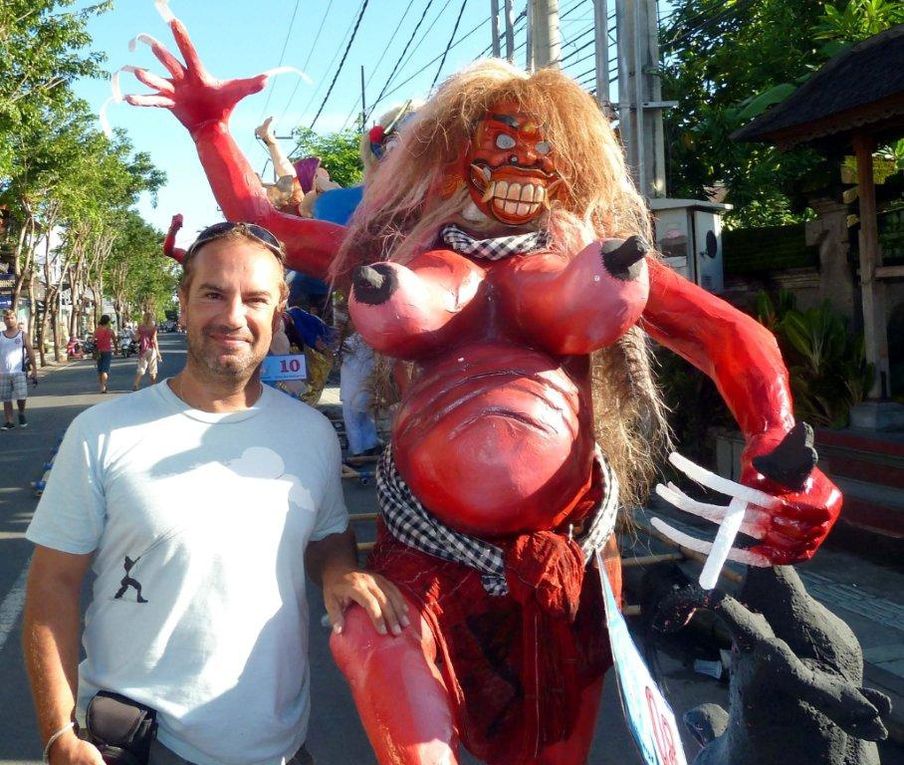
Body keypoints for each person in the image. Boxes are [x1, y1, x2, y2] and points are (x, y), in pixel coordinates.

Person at [22, 221, 408, 765]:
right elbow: (52, 589)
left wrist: (339, 570)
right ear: (183, 303)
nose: (232, 316)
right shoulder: (101, 432)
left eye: (254, 299)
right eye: (213, 294)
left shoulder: (312, 434)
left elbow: (326, 533)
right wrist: (58, 734)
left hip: (281, 749)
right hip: (139, 745)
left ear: (278, 315)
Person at [0, 308, 37, 429]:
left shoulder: (22, 335)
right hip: (3, 373)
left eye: (12, 318)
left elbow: (30, 352)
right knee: (6, 398)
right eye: (7, 318)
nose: (9, 320)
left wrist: (34, 370)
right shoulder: (0, 336)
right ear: (4, 320)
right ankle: (9, 421)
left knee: (21, 396)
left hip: (19, 372)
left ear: (16, 319)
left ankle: (21, 412)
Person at [132, 311, 161, 391]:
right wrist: (158, 353)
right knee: (153, 370)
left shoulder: (140, 327)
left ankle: (136, 384)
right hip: (152, 350)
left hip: (143, 350)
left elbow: (136, 338)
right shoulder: (153, 328)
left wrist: (135, 336)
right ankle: (153, 387)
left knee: (141, 368)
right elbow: (154, 340)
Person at [93, 315, 114, 393]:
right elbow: (114, 341)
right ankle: (103, 386)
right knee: (105, 370)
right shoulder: (110, 331)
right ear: (108, 322)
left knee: (100, 370)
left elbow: (93, 340)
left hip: (99, 351)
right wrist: (116, 350)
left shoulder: (97, 330)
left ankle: (102, 386)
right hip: (107, 351)